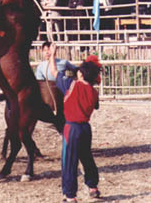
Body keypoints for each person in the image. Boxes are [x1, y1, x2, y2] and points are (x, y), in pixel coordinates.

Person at [49, 43, 102, 203]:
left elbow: (54, 72)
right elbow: (96, 106)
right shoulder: (94, 92)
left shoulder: (71, 85)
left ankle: (70, 196)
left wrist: (52, 55)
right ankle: (92, 186)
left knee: (69, 162)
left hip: (71, 128)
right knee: (87, 157)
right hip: (86, 128)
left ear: (80, 74)